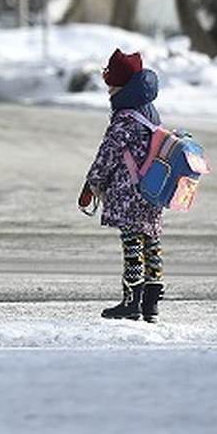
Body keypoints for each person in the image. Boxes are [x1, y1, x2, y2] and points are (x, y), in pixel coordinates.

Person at [77, 48, 166, 322]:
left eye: (112, 85)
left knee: (132, 244)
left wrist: (91, 185)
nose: (109, 91)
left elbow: (107, 155)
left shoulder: (125, 119)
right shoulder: (149, 113)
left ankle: (131, 302)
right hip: (152, 189)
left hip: (130, 191)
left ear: (123, 86)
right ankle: (151, 303)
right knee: (151, 243)